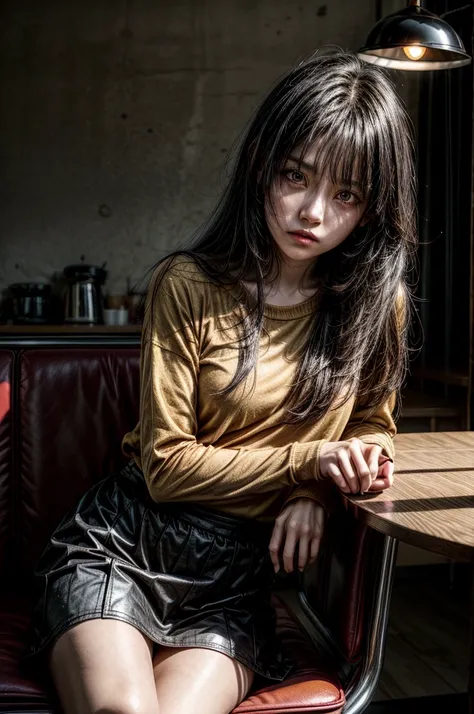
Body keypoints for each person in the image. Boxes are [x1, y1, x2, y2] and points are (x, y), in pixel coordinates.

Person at [29, 50, 416, 714]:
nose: (313, 212)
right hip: (123, 545)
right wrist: (307, 461)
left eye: (347, 194)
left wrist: (316, 494)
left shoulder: (377, 306)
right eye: (297, 176)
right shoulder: (188, 285)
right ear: (263, 163)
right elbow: (167, 467)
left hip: (234, 581)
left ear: (372, 207)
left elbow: (371, 432)